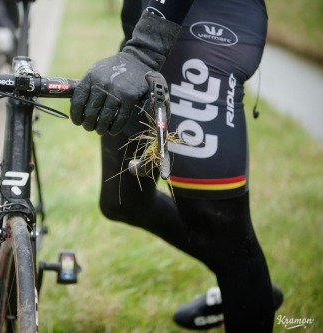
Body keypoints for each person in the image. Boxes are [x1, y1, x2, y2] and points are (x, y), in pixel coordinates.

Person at [70, 0, 282, 331]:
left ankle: (241, 278)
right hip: (150, 27)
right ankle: (244, 281)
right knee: (122, 202)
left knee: (222, 233)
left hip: (205, 29)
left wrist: (142, 52)